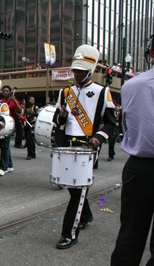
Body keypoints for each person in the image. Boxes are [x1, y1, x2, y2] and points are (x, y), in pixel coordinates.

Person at [53, 44, 115, 249]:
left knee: (78, 190)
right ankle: (86, 215)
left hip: (88, 147)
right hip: (67, 144)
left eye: (81, 71)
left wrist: (99, 137)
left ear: (90, 70)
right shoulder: (65, 92)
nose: (77, 74)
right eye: (75, 71)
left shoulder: (102, 92)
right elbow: (57, 122)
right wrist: (61, 117)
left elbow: (110, 123)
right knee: (73, 188)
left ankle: (69, 233)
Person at [111, 27, 154, 266]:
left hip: (141, 168)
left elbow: (127, 126)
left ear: (150, 51)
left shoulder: (131, 86)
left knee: (130, 235)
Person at [0, 85, 23, 176]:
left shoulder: (13, 101)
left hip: (10, 126)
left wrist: (14, 102)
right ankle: (9, 165)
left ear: (10, 92)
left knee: (4, 146)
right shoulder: (0, 102)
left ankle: (3, 168)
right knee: (5, 146)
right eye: (4, 91)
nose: (5, 92)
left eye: (7, 91)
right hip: (1, 126)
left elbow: (20, 111)